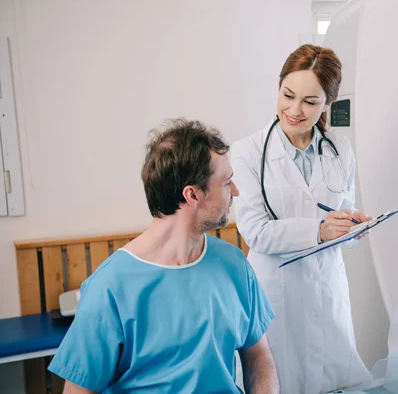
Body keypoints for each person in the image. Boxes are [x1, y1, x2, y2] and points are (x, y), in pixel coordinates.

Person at [48, 119, 279, 394]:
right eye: (227, 182)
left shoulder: (234, 264)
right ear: (192, 194)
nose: (236, 191)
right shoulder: (110, 287)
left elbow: (259, 356)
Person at [230, 44, 373, 394]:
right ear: (279, 87)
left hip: (327, 286)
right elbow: (257, 232)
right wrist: (321, 231)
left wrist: (351, 228)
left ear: (327, 103)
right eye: (288, 95)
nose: (294, 110)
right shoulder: (247, 152)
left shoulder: (340, 149)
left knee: (337, 380)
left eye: (310, 102)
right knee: (279, 380)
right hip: (275, 290)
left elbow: (343, 208)